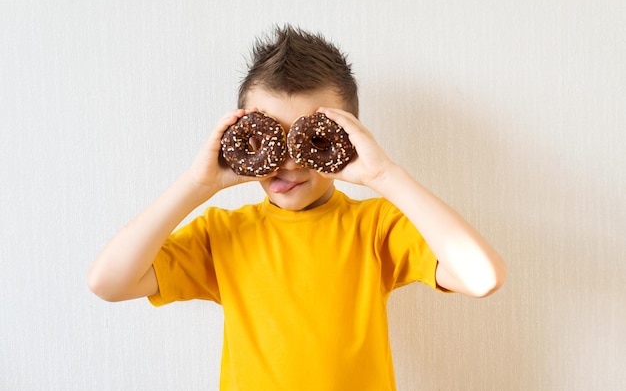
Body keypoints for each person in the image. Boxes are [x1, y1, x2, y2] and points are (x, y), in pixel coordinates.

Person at [87, 25, 507, 391]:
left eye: (313, 138)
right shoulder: (223, 234)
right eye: (270, 136)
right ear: (243, 138)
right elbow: (108, 282)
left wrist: (385, 177)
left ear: (348, 137)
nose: (289, 160)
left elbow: (482, 277)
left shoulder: (375, 227)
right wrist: (196, 186)